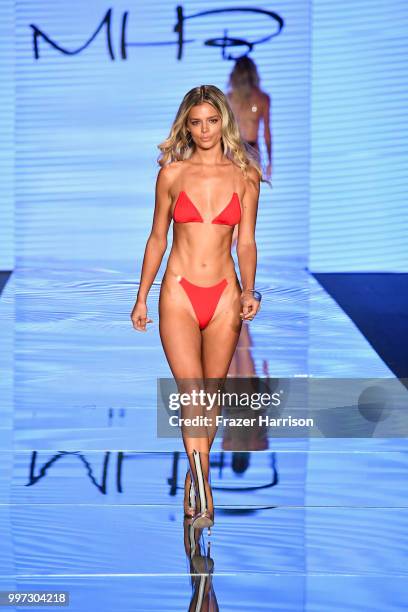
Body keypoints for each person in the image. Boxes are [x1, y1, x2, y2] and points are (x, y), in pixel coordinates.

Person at [130, 84, 266, 532]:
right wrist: (142, 295)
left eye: (211, 120)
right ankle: (205, 489)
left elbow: (246, 240)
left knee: (211, 397)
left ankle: (194, 478)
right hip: (179, 293)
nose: (204, 129)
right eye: (195, 122)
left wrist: (251, 290)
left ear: (222, 121)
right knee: (192, 395)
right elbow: (157, 238)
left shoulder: (245, 175)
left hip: (225, 293)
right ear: (185, 125)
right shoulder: (171, 174)